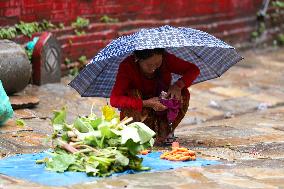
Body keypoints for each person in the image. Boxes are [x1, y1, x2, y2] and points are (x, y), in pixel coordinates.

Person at [110, 48, 200, 145]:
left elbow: (193, 70)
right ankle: (136, 135)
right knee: (132, 93)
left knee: (183, 93)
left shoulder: (166, 59)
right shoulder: (127, 66)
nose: (153, 68)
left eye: (157, 63)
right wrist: (146, 103)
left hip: (163, 105)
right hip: (140, 111)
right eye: (149, 65)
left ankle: (165, 131)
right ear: (137, 59)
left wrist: (178, 85)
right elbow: (115, 99)